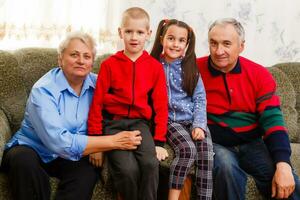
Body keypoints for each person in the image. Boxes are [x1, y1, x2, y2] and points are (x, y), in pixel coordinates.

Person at [0, 32, 142, 200]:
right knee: (23, 162)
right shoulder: (43, 90)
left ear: (92, 63)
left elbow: (125, 106)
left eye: (87, 56)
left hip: (73, 155)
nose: (81, 60)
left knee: (88, 171)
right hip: (33, 147)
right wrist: (110, 142)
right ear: (60, 59)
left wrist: (98, 145)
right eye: (74, 54)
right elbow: (58, 142)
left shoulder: (99, 85)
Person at [197, 18, 300, 200]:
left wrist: (283, 163)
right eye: (213, 43)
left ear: (241, 46)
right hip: (214, 142)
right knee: (226, 169)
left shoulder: (259, 75)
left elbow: (273, 121)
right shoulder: (194, 70)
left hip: (251, 142)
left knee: (287, 181)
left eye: (226, 44)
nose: (219, 51)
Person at [87, 7, 169, 200]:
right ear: (120, 33)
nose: (134, 37)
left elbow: (161, 106)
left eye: (140, 32)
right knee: (127, 170)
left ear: (148, 34)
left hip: (140, 125)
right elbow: (97, 103)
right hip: (114, 125)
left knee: (150, 165)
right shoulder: (109, 65)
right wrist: (97, 143)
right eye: (129, 31)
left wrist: (158, 141)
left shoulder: (154, 68)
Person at [150, 19, 214, 200]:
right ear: (162, 39)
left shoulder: (190, 68)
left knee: (207, 155)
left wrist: (199, 125)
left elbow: (200, 98)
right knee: (187, 150)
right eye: (171, 38)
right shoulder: (154, 66)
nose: (175, 44)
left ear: (186, 44)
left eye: (180, 40)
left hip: (192, 119)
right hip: (170, 121)